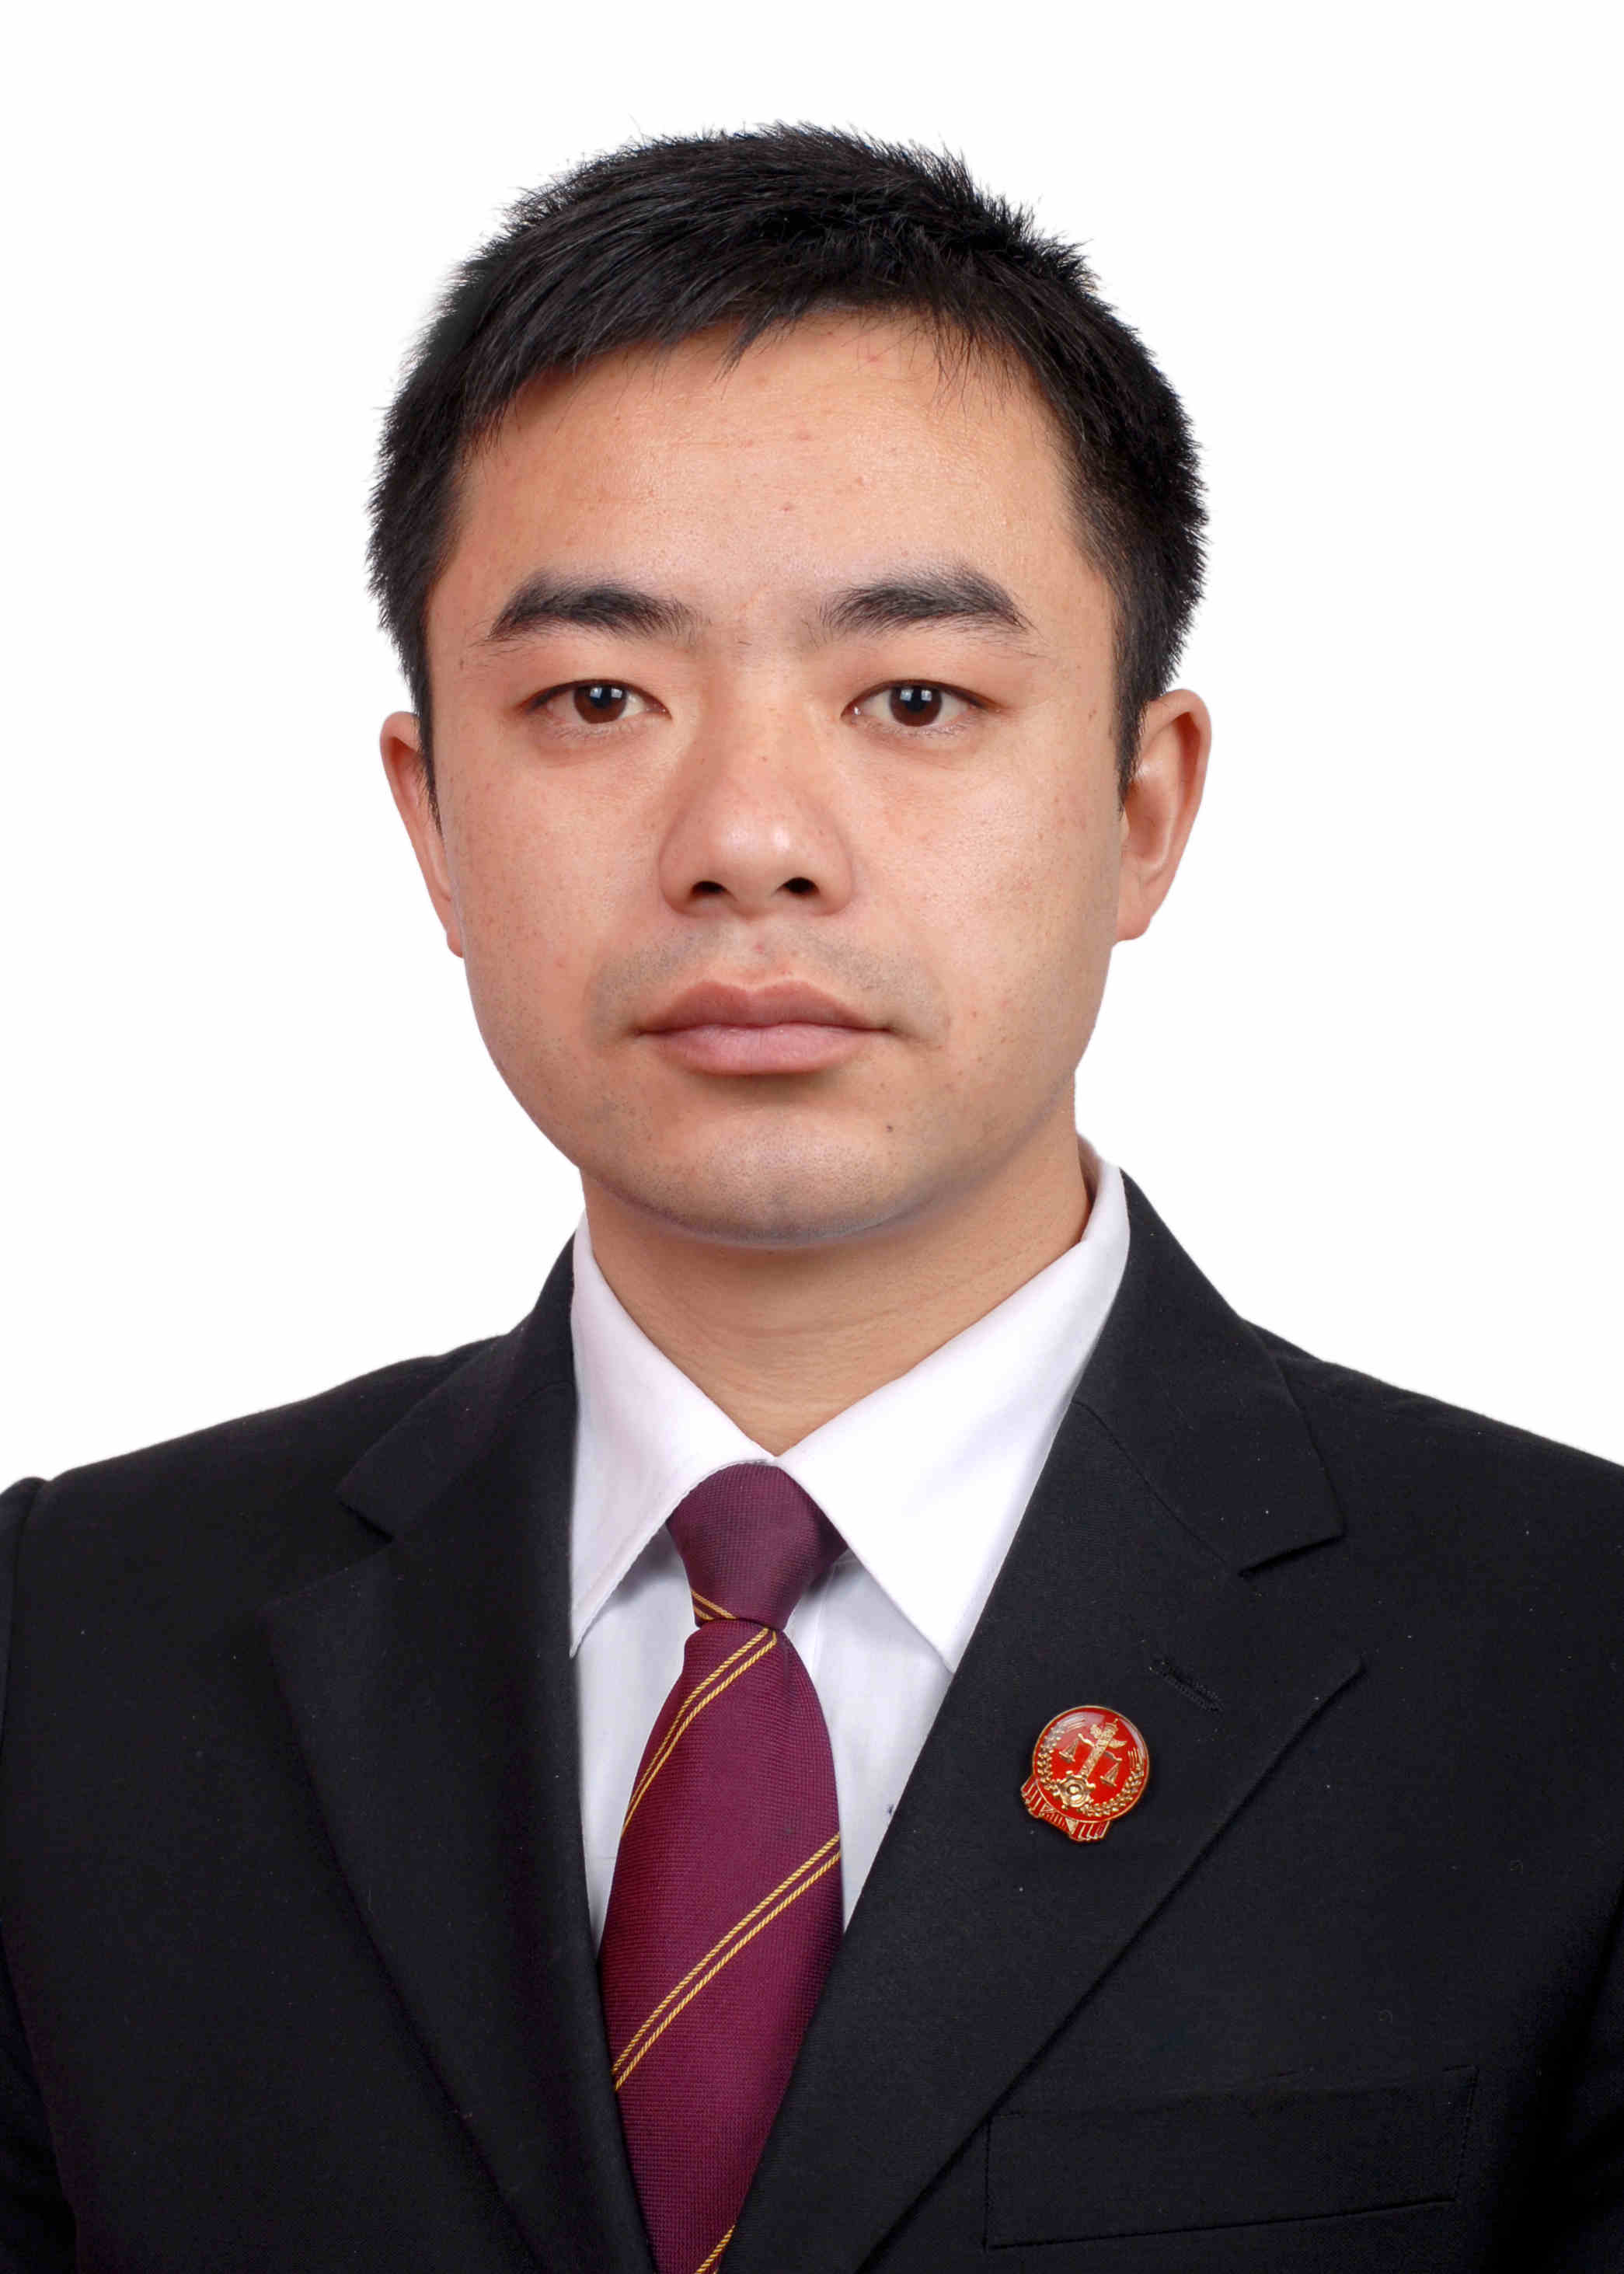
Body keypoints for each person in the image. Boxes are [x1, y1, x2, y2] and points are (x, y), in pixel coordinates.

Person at [1, 124, 1619, 2274]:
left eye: (914, 698)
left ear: (1144, 808)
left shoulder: (1573, 1667)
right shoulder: (70, 1657)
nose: (748, 838)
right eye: (597, 698)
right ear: (433, 820)